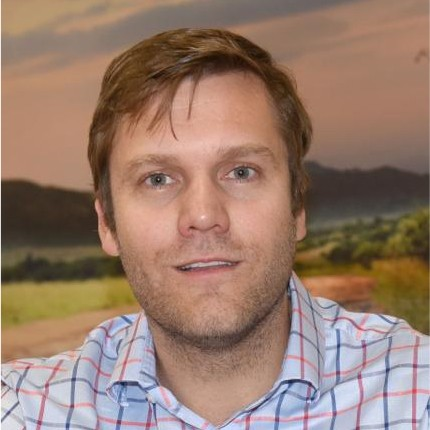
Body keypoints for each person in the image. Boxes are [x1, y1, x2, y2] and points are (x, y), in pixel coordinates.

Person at [2, 28, 429, 430]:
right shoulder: (22, 411)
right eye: (158, 179)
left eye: (241, 172)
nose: (204, 215)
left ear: (297, 207)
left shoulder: (417, 392)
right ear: (107, 224)